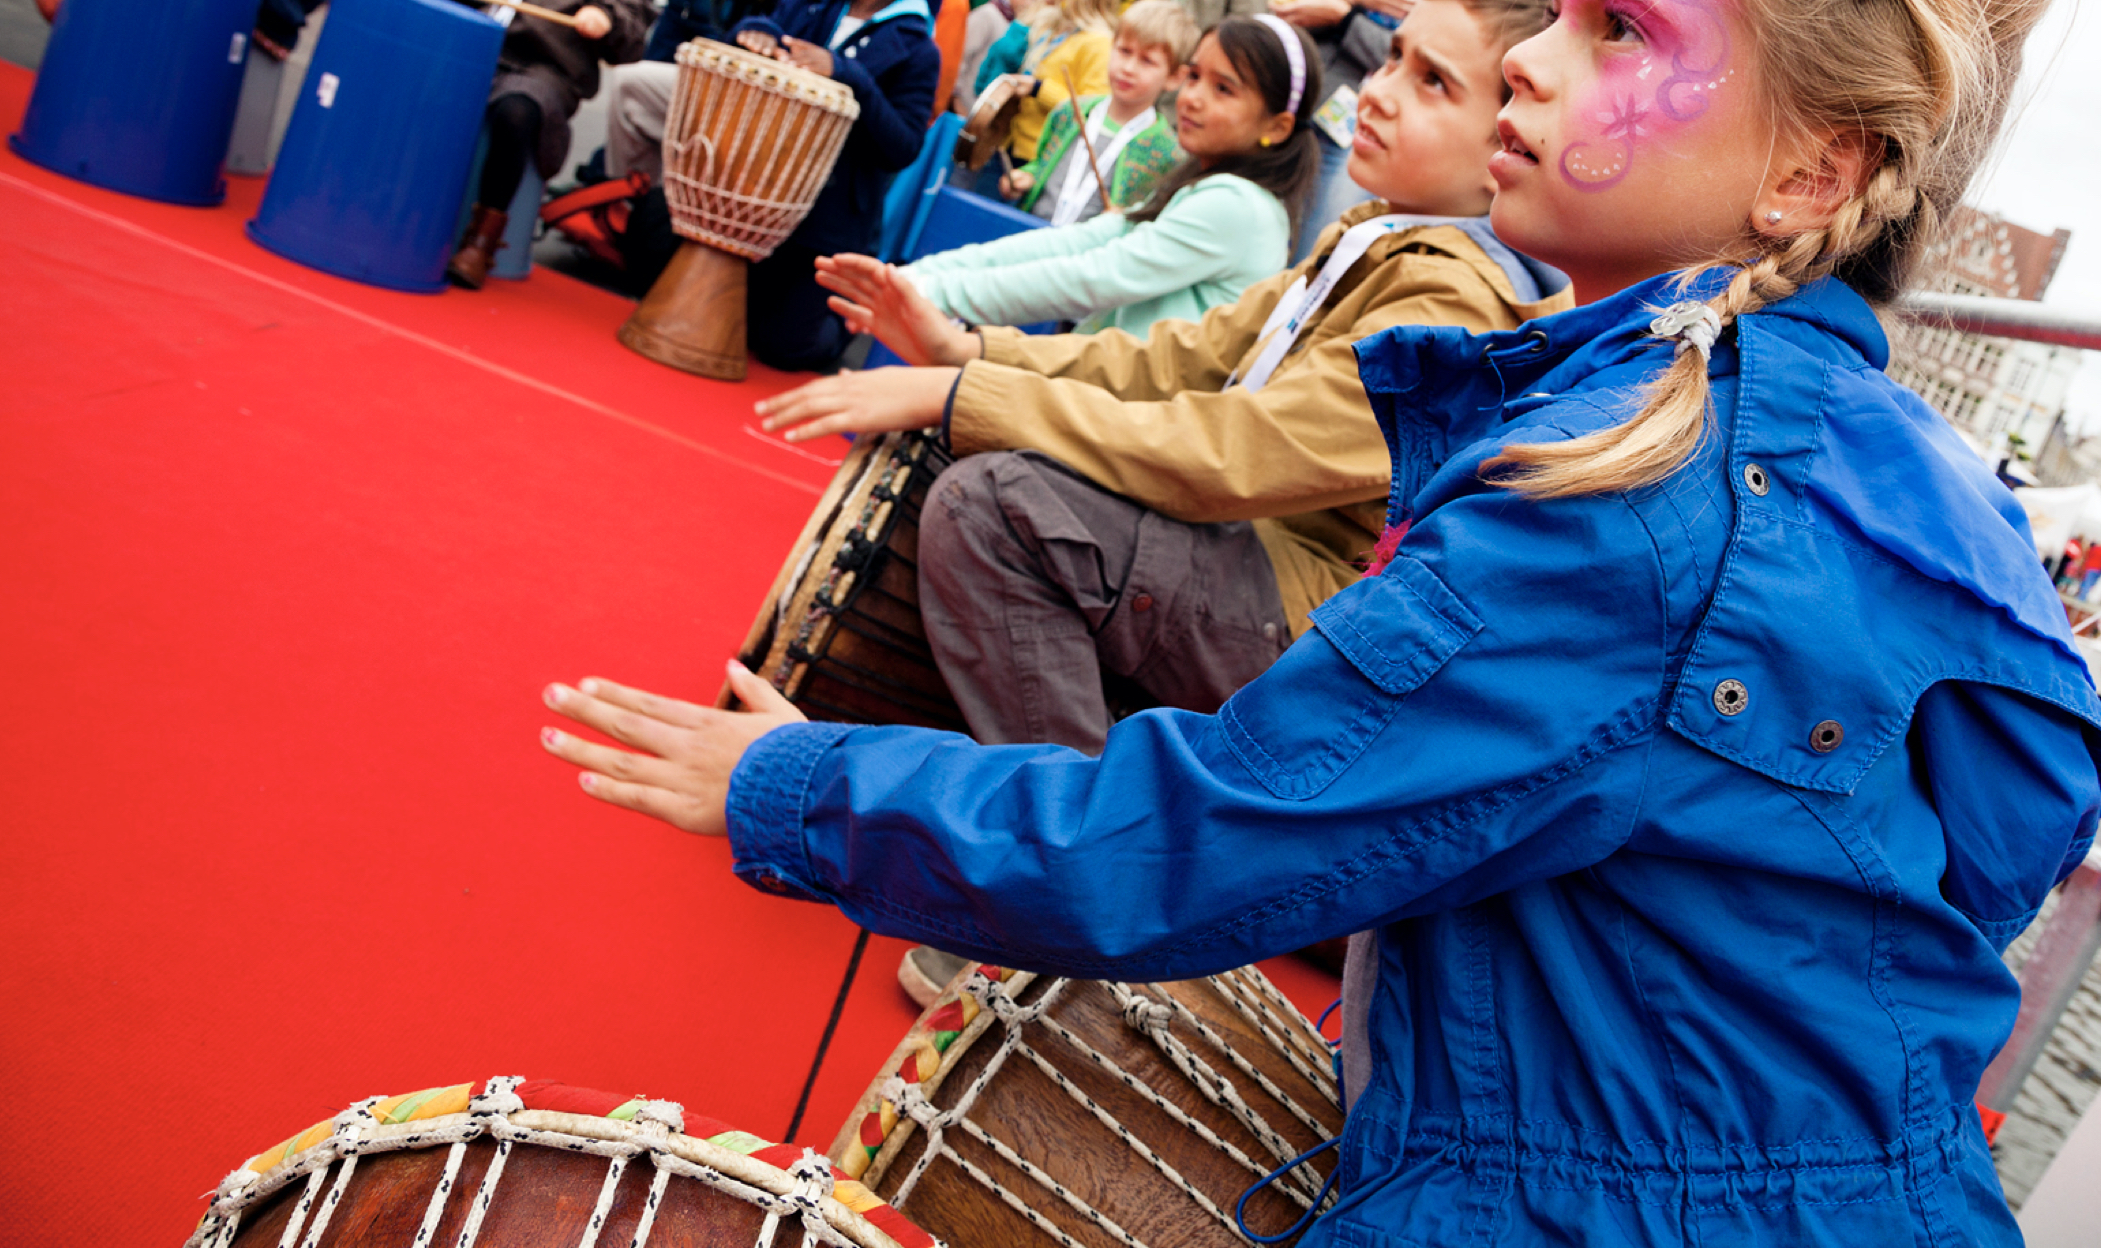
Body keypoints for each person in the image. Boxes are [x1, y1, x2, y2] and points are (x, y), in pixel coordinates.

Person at [545, 0, 2102, 1240]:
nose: (1532, 66)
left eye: (1617, 28)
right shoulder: (1928, 486)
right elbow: (1991, 846)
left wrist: (802, 788)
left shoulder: (1633, 502)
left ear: (1809, 174)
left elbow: (1210, 833)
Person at [899, 14, 1323, 337]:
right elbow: (1082, 240)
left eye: (1223, 89)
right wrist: (917, 277)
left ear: (1277, 126)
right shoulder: (1209, 186)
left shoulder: (1238, 205)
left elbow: (1095, 275)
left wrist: (931, 293)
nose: (1192, 98)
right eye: (1195, 77)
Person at [596, 0, 942, 368]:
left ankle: (836, 320)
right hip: (741, 188)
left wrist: (847, 75)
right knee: (650, 259)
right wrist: (759, 33)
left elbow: (902, 147)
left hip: (823, 223)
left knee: (783, 346)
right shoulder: (814, 5)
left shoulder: (919, 47)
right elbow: (762, 26)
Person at [448, 0, 654, 289]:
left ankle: (481, 241)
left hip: (545, 65)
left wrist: (606, 18)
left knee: (518, 111)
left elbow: (631, 35)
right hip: (472, 37)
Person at [997, 0, 1195, 227]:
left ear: (1175, 77)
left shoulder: (1169, 153)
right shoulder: (1068, 112)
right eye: (1124, 51)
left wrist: (1125, 221)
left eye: (1147, 61)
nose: (1128, 68)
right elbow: (1043, 164)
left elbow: (1151, 221)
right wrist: (1028, 177)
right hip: (1028, 237)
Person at [1269, 0, 1414, 263]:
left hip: (1353, 134)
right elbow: (1283, 11)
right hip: (1287, 101)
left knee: (1313, 247)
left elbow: (1404, 62)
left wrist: (1346, 18)